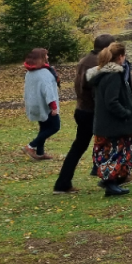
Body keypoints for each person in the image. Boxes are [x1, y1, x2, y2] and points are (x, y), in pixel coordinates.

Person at [53, 35, 112, 193]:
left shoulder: (84, 60)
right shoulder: (98, 63)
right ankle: (111, 180)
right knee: (108, 144)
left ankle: (63, 183)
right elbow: (96, 90)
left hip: (82, 109)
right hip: (92, 111)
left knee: (79, 146)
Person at [88, 42, 132, 198]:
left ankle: (111, 180)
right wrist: (125, 113)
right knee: (123, 151)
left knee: (113, 151)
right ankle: (109, 182)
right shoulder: (113, 76)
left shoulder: (102, 74)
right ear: (120, 57)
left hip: (104, 122)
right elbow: (111, 101)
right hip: (114, 124)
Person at [22, 48, 60, 161]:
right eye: (46, 55)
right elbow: (48, 91)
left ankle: (39, 153)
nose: (48, 57)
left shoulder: (30, 72)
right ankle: (30, 146)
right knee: (54, 127)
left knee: (44, 128)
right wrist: (53, 106)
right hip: (45, 105)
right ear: (41, 58)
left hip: (35, 104)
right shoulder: (44, 73)